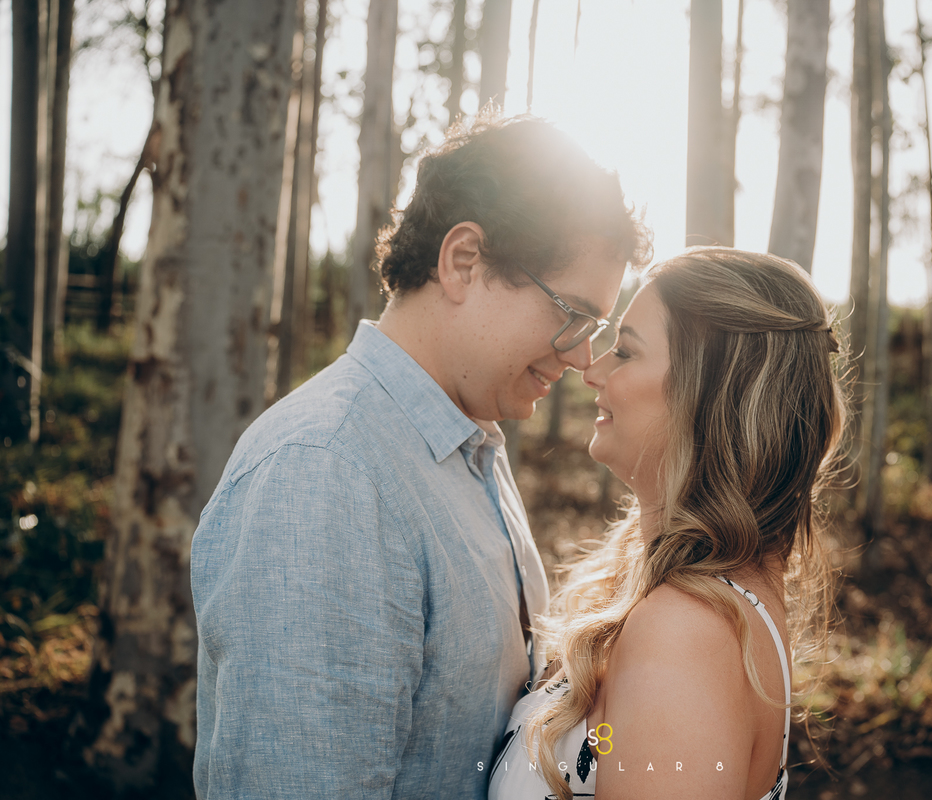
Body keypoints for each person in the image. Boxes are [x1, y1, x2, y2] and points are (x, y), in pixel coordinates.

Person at [190, 114, 650, 799]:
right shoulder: (325, 472)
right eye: (571, 313)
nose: (583, 355)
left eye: (596, 327)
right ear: (463, 261)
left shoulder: (470, 441)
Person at [488, 247, 845, 800]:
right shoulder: (711, 598)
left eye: (625, 352)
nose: (592, 368)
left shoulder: (685, 631)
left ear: (708, 395)